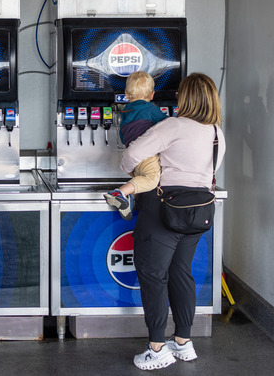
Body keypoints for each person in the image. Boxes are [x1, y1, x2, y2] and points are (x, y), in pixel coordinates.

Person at [120, 73, 225, 371]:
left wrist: (137, 173)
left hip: (162, 209)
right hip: (199, 211)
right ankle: (183, 342)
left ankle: (156, 347)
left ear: (186, 98)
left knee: (153, 276)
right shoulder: (217, 132)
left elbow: (131, 155)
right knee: (182, 274)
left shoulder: (173, 126)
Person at [103, 71, 168, 219]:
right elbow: (168, 126)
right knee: (152, 179)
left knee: (142, 182)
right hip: (148, 156)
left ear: (126, 94)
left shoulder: (125, 113)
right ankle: (120, 193)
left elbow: (122, 136)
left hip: (133, 157)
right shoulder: (151, 109)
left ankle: (130, 199)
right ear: (152, 94)